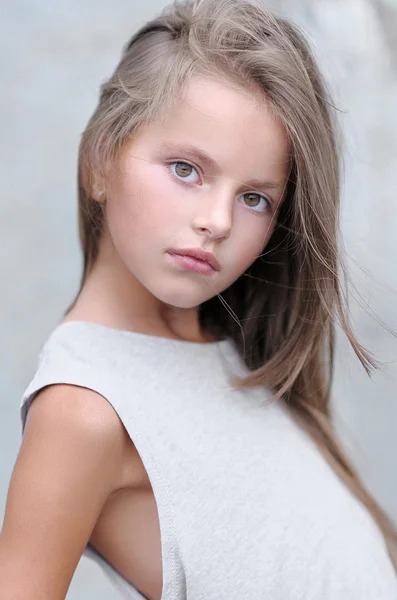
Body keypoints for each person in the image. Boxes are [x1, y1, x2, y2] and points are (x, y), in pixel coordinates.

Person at [1, 0, 396, 598]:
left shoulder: (237, 353)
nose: (217, 221)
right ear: (101, 159)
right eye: (186, 169)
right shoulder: (85, 409)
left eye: (255, 198)